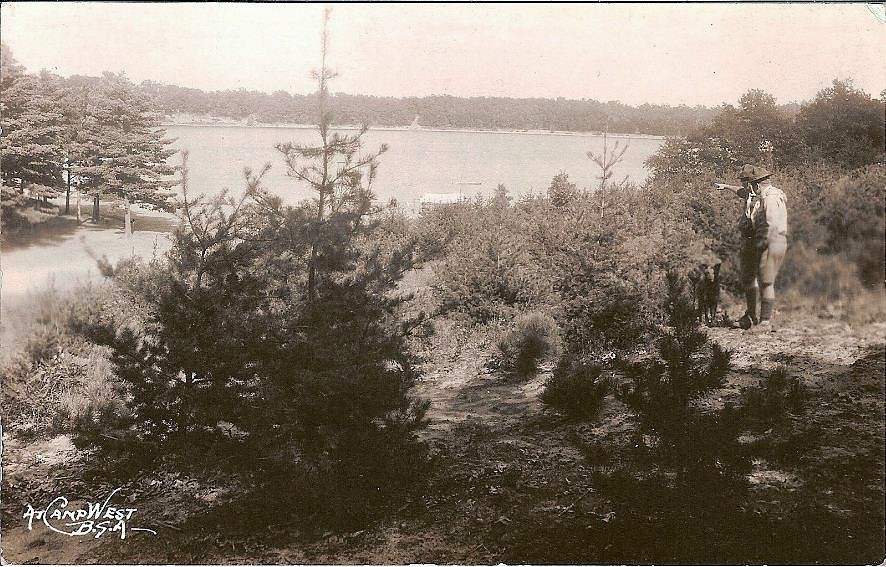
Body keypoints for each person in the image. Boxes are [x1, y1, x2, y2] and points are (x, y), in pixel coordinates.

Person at [711, 164, 788, 331]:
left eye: (748, 183)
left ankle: (765, 322)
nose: (746, 187)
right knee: (749, 278)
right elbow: (742, 192)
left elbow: (772, 226)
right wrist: (725, 186)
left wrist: (761, 247)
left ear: (756, 184)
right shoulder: (758, 194)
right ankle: (751, 317)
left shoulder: (771, 199)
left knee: (766, 281)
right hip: (755, 241)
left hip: (770, 241)